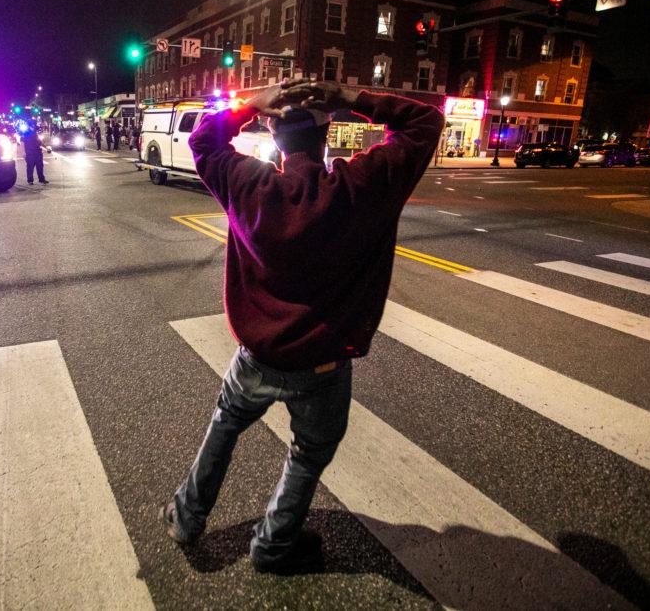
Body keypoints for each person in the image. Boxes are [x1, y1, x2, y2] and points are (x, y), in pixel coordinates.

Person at [162, 79, 444, 573]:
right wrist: (352, 97)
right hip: (325, 360)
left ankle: (187, 517)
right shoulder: (361, 187)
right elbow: (425, 123)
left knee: (227, 423)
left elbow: (203, 139)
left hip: (258, 355)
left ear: (273, 133)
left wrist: (249, 104)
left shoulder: (250, 183)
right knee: (310, 452)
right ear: (328, 131)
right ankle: (273, 544)